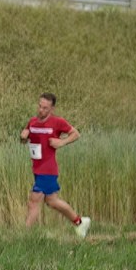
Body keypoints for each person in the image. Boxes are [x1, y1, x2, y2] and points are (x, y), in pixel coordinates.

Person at [23, 94, 91, 238]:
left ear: (52, 109)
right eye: (40, 106)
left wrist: (61, 142)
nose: (41, 110)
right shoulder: (32, 122)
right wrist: (23, 136)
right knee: (52, 202)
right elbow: (26, 138)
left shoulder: (57, 122)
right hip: (37, 168)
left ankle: (23, 236)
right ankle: (80, 222)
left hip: (48, 169)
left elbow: (75, 134)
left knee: (34, 201)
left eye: (45, 108)